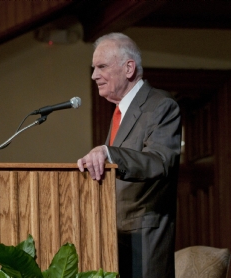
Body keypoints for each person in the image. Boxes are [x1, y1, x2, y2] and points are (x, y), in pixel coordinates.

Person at [77, 33, 181, 278]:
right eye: (94, 68)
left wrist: (109, 153)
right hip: (112, 239)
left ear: (129, 68)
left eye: (101, 67)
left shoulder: (161, 106)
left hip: (143, 241)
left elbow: (159, 161)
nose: (94, 75)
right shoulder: (120, 112)